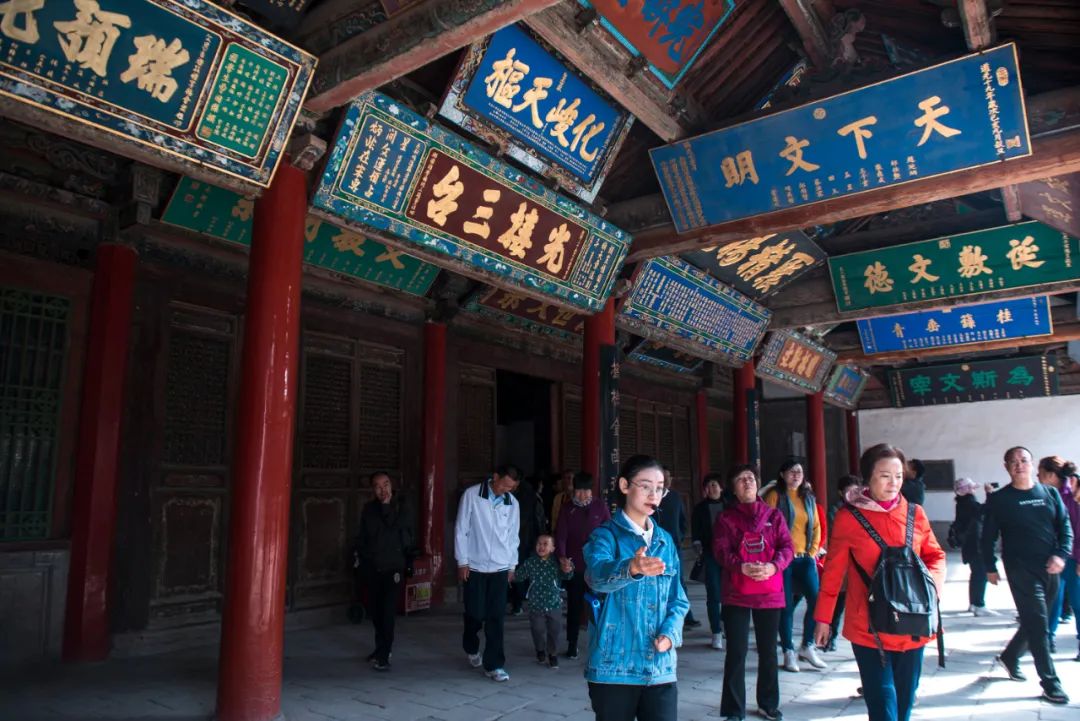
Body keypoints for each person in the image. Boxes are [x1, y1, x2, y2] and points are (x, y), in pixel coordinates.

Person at [813, 443, 946, 721]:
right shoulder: (849, 518)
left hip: (912, 621)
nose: (893, 483)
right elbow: (833, 572)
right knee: (882, 703)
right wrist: (823, 618)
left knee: (905, 701)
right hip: (868, 625)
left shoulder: (915, 514)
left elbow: (935, 556)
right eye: (885, 476)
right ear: (868, 478)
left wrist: (930, 590)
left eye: (898, 476)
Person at [583, 455, 689, 721]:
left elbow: (678, 600)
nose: (654, 494)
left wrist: (670, 634)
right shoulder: (605, 535)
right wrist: (631, 567)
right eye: (645, 486)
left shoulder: (665, 541)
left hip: (660, 666)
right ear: (624, 486)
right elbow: (596, 576)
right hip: (613, 668)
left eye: (660, 488)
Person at [982, 446, 1072, 704]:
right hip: (1020, 570)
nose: (1019, 465)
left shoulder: (1049, 493)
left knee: (1036, 621)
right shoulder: (1000, 500)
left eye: (1024, 460)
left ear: (1032, 465)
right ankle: (1051, 683)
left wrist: (1061, 555)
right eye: (1013, 461)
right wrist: (989, 567)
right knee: (1039, 625)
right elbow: (987, 537)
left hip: (1050, 568)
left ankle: (1010, 657)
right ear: (1006, 467)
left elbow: (1065, 528)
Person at [713, 464, 793, 721]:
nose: (747, 482)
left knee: (768, 651)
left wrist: (773, 566)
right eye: (740, 479)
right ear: (733, 489)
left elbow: (787, 547)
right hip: (737, 590)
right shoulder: (725, 518)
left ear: (757, 484)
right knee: (736, 652)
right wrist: (741, 566)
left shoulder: (774, 515)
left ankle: (768, 704)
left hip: (769, 590)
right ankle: (733, 709)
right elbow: (721, 551)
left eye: (750, 478)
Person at [455, 465, 521, 682]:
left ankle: (494, 664)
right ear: (495, 477)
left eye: (511, 487)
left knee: (496, 617)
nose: (506, 490)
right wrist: (462, 561)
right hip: (475, 566)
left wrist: (511, 566)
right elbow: (461, 529)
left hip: (500, 568)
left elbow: (513, 536)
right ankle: (471, 646)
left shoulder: (512, 503)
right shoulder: (472, 495)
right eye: (504, 485)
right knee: (474, 613)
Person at [763, 458, 826, 672]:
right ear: (782, 475)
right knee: (786, 606)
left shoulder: (808, 497)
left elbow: (816, 526)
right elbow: (766, 526)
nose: (796, 475)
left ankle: (808, 645)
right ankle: (788, 650)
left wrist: (812, 551)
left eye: (799, 471)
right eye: (791, 471)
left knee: (816, 600)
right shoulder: (775, 496)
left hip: (805, 557)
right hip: (783, 559)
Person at [353, 471, 416, 671]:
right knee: (375, 611)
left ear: (392, 485)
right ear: (373, 489)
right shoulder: (369, 509)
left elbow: (393, 526)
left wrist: (387, 505)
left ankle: (384, 654)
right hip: (373, 566)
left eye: (386, 484)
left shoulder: (402, 507)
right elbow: (363, 535)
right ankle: (380, 647)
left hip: (393, 567)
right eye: (378, 486)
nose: (383, 490)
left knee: (388, 611)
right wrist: (361, 556)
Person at [555, 470, 610, 659]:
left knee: (600, 605)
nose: (582, 495)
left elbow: (609, 532)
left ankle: (602, 644)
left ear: (591, 491)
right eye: (579, 490)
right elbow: (561, 536)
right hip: (575, 565)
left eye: (586, 491)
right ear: (573, 490)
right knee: (574, 606)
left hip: (597, 565)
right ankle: (572, 644)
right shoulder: (567, 508)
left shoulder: (600, 506)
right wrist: (562, 557)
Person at [1037, 456, 1080, 660]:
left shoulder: (1074, 494)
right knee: (1053, 600)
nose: (1037, 477)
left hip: (1074, 558)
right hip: (1055, 557)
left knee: (1078, 602)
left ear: (1051, 475)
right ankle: (1048, 640)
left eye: (1040, 473)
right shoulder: (1048, 494)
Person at [516, 534, 573, 668]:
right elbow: (519, 576)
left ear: (553, 548)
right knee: (537, 629)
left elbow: (567, 576)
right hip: (536, 604)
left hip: (554, 604)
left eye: (545, 544)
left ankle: (553, 654)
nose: (541, 547)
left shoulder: (557, 562)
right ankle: (540, 649)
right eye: (539, 544)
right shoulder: (530, 562)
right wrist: (509, 574)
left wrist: (568, 568)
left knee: (555, 631)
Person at [654, 466, 700, 628]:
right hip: (654, 548)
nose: (667, 480)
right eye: (664, 476)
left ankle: (686, 616)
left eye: (669, 477)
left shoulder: (675, 497)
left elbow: (683, 521)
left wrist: (679, 538)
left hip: (674, 547)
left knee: (679, 581)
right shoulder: (652, 496)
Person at [824, 475, 860, 651]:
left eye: (855, 491)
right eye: (848, 491)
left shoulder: (865, 509)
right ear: (840, 493)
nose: (852, 494)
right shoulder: (835, 511)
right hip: (843, 564)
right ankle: (830, 636)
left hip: (860, 564)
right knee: (837, 603)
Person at [692, 473, 728, 649]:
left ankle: (725, 623)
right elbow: (696, 532)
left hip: (729, 555)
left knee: (729, 593)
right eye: (708, 486)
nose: (711, 489)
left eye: (714, 485)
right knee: (713, 593)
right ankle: (716, 632)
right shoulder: (700, 508)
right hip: (710, 554)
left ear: (721, 487)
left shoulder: (730, 506)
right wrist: (698, 546)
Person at [951, 477, 993, 617]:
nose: (974, 489)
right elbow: (986, 510)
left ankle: (974, 604)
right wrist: (989, 494)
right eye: (971, 487)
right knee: (981, 574)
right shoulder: (969, 502)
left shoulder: (961, 502)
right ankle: (979, 605)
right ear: (968, 489)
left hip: (969, 544)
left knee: (976, 573)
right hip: (975, 544)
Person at [510, 475, 544, 615]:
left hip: (513, 541)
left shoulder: (512, 497)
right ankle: (523, 601)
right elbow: (539, 521)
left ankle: (516, 603)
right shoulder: (533, 498)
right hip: (527, 540)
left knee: (514, 570)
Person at [550, 469, 574, 533]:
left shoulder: (579, 497)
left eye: (570, 478)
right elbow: (554, 518)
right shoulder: (558, 497)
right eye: (565, 478)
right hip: (560, 530)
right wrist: (553, 531)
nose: (568, 481)